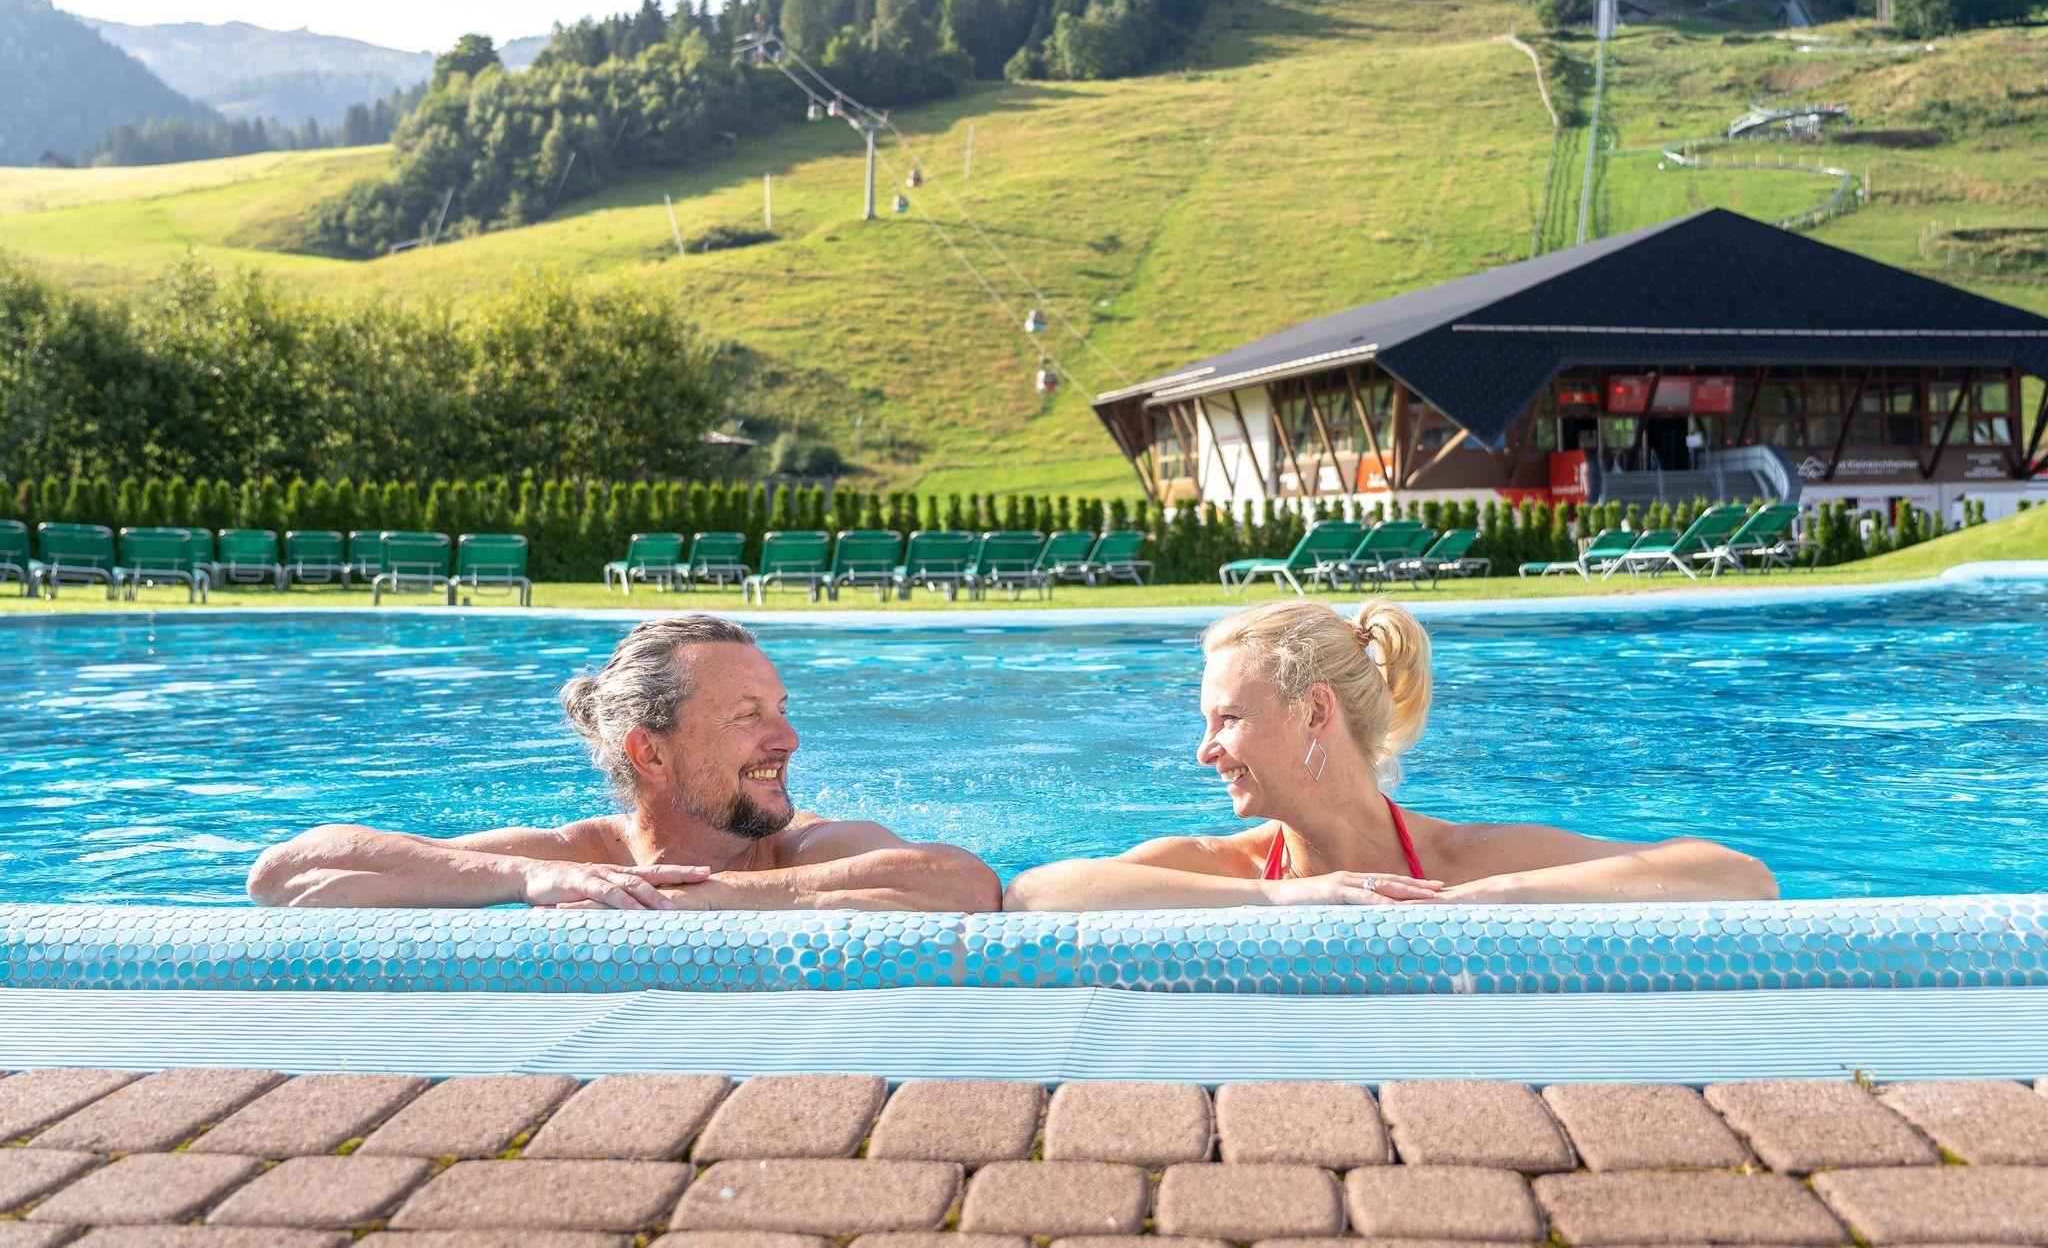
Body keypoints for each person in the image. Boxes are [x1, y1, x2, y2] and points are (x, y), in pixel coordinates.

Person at [1003, 597, 1776, 909]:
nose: (1206, 752)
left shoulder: (1460, 864)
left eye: (1228, 719)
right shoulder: (1229, 871)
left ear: (1315, 712)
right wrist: (1286, 901)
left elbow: (1738, 876)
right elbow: (1034, 897)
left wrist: (1500, 900)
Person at [247, 615, 1001, 911]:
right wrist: (521, 878)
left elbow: (967, 884)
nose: (788, 739)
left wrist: (703, 901)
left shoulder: (808, 848)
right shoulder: (582, 859)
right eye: (748, 716)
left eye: (780, 709)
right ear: (650, 753)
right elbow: (282, 873)